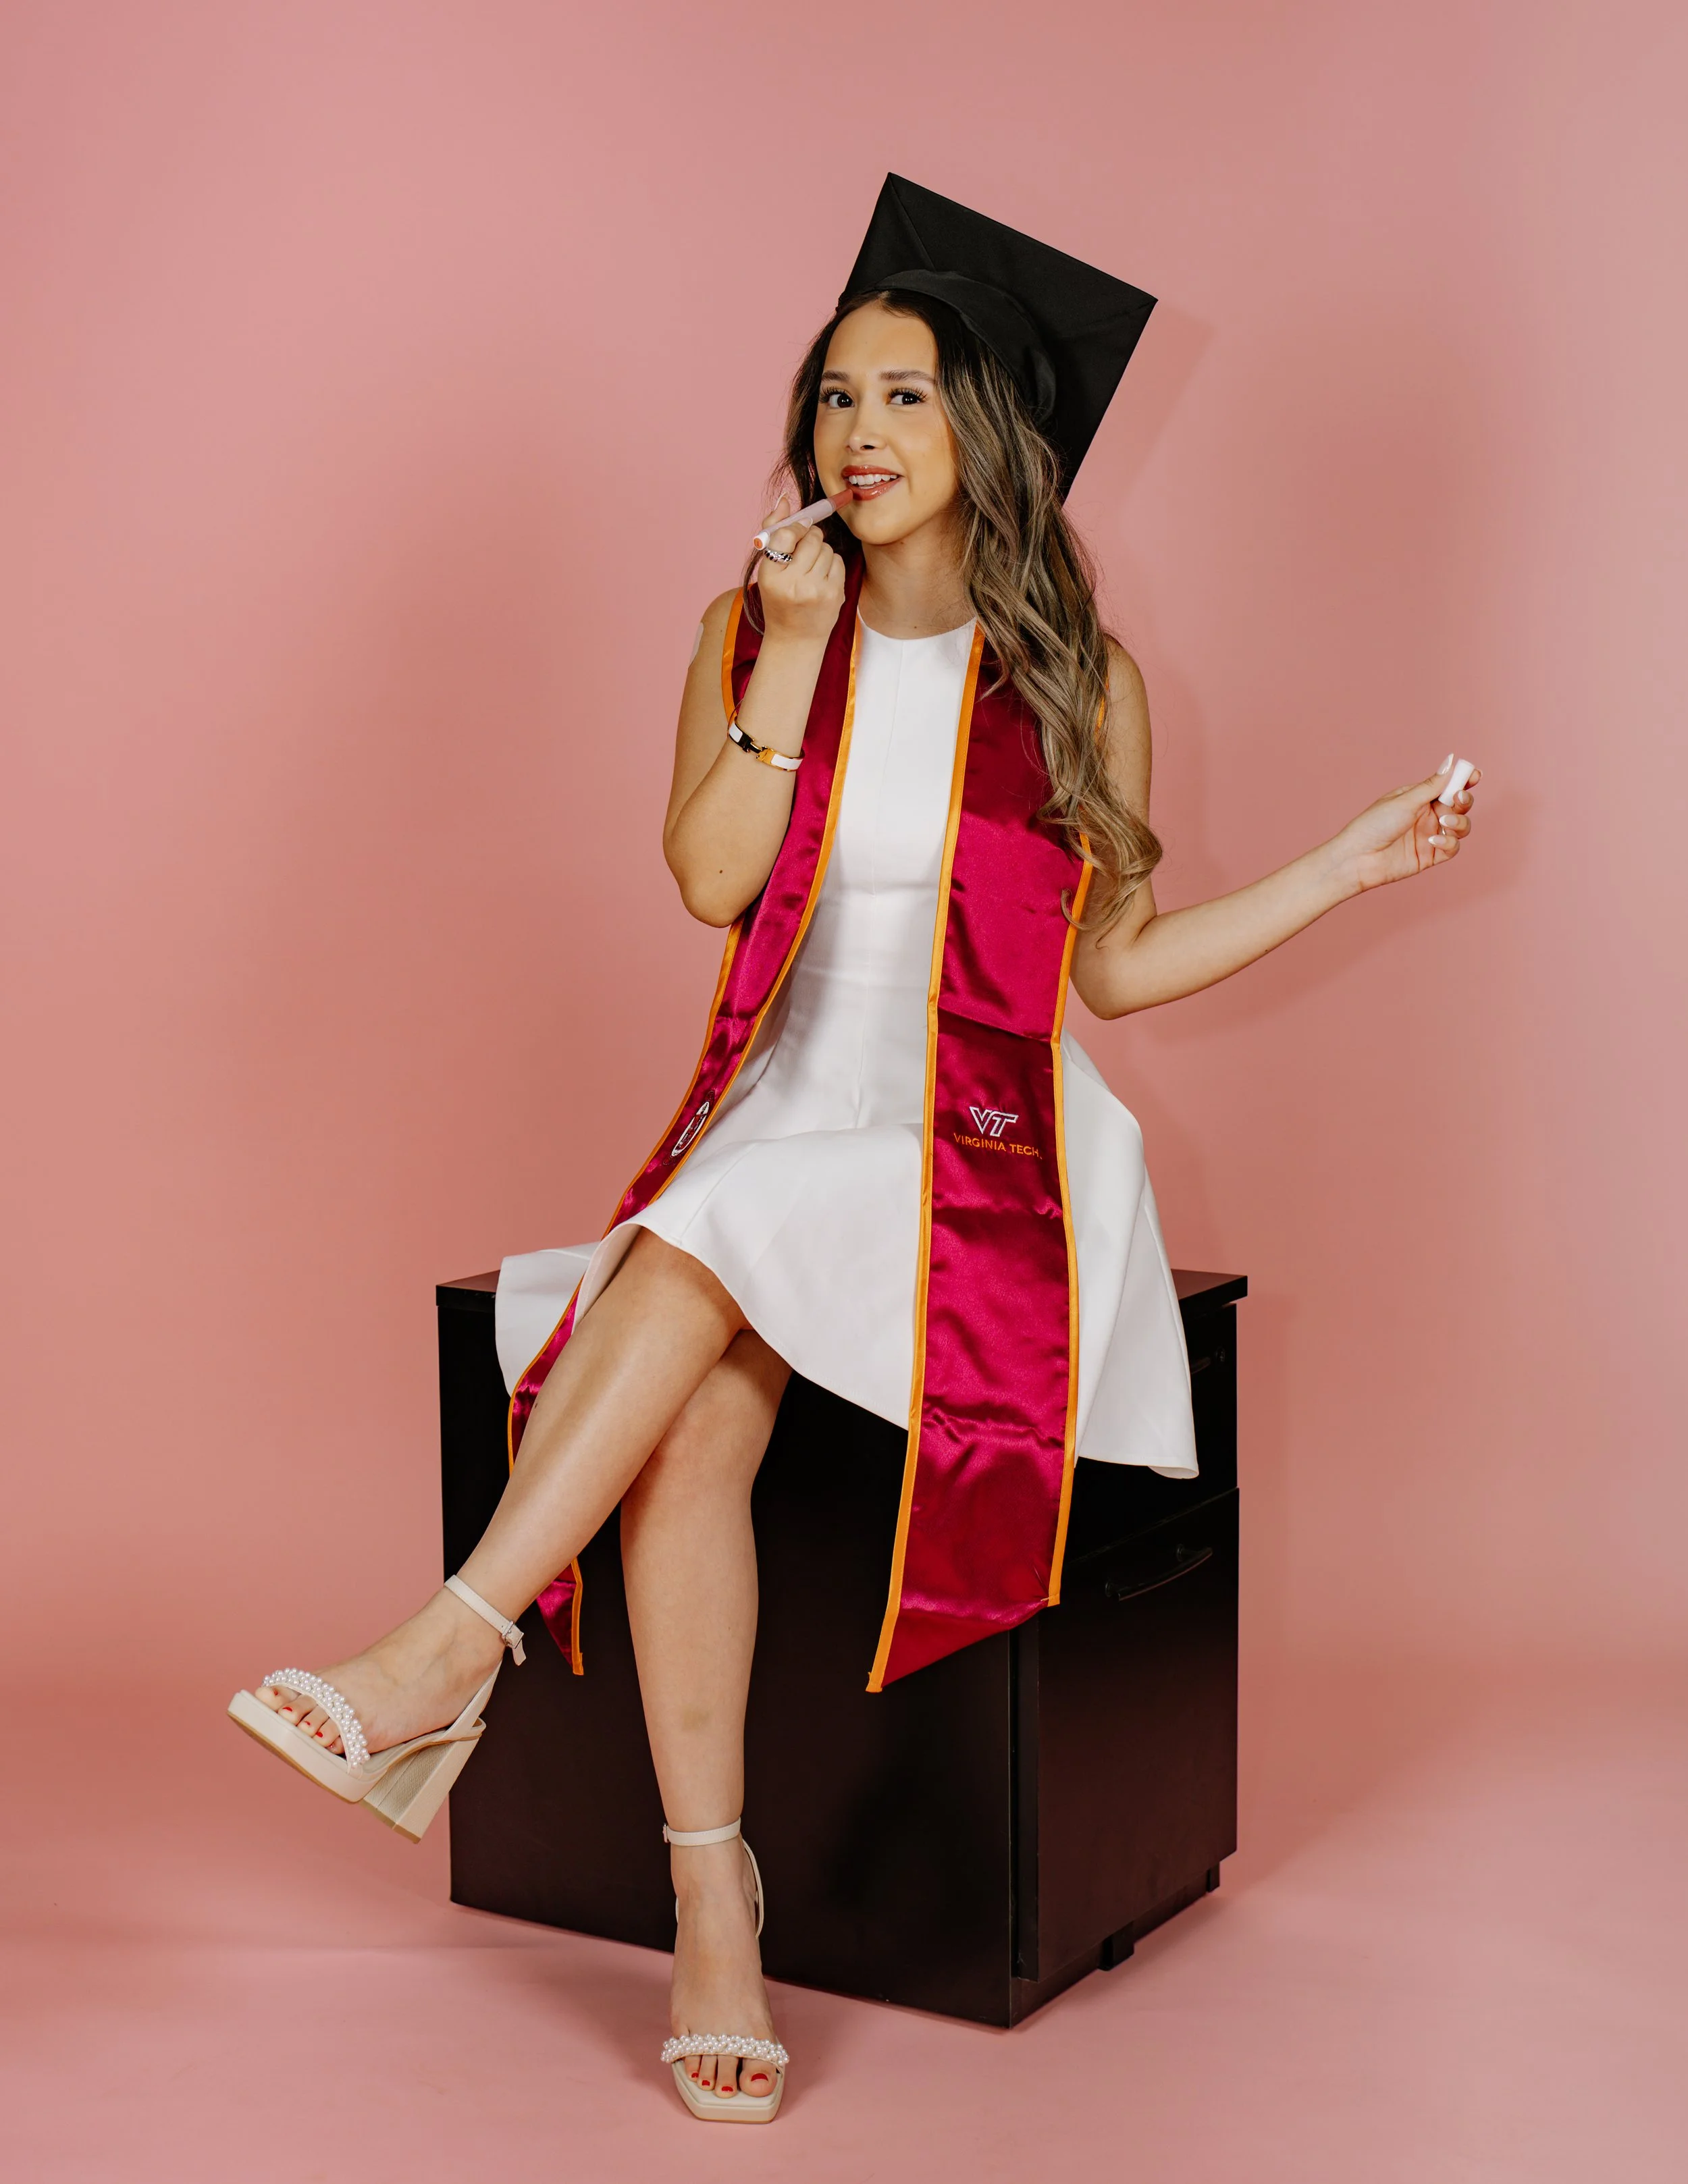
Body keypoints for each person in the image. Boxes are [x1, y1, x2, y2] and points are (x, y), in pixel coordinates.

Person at [228, 178, 1479, 2125]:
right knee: (703, 1409)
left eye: (900, 396)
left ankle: (441, 1657)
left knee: (706, 1239)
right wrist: (795, 661)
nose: (856, 435)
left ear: (988, 436)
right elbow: (710, 881)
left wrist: (1343, 864)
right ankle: (710, 1902)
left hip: (984, 1150)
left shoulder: (1082, 684)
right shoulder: (747, 625)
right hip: (780, 1128)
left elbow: (1119, 972)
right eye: (832, 397)